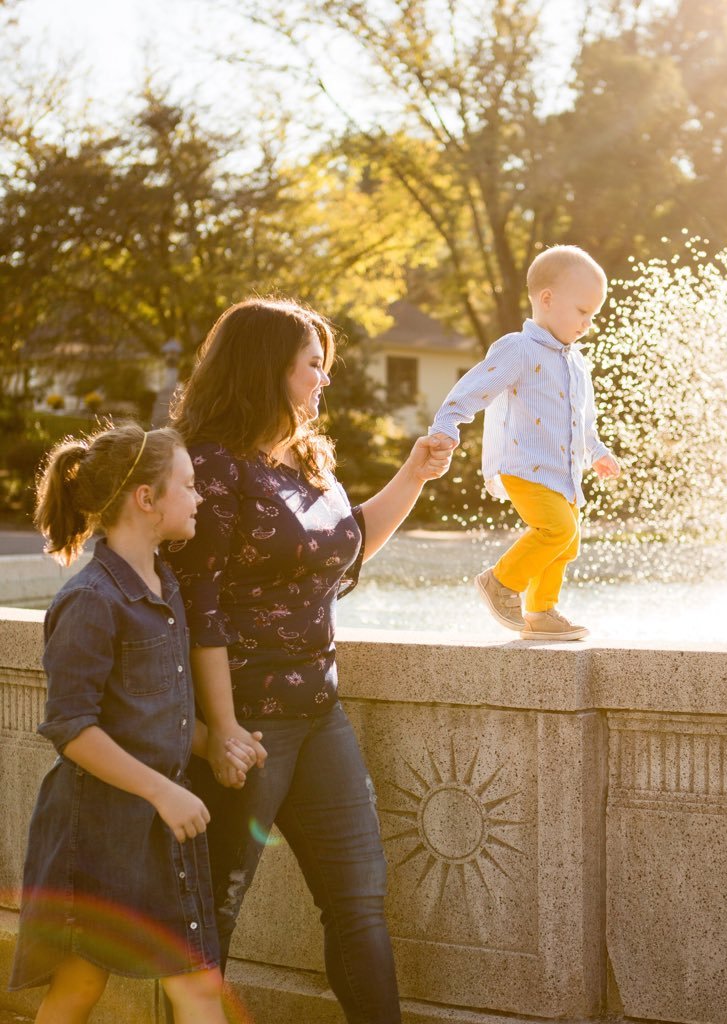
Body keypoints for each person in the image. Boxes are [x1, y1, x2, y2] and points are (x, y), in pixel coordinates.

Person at [164, 297, 453, 1023]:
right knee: (211, 917)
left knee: (358, 902)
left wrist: (414, 475)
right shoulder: (209, 468)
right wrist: (222, 728)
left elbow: (345, 548)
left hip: (320, 714)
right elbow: (196, 603)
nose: (324, 380)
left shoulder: (305, 462)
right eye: (313, 366)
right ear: (269, 371)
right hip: (246, 722)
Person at [9, 423, 255, 1024]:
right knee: (78, 986)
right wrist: (164, 790)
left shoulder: (164, 584)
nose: (200, 498)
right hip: (94, 834)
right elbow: (72, 729)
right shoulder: (91, 601)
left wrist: (216, 743)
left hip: (156, 832)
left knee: (196, 985)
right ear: (146, 499)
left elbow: (150, 712)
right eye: (189, 486)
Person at [428, 244, 621, 641]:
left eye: (593, 315)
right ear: (547, 300)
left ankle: (541, 612)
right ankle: (500, 582)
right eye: (583, 311)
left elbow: (582, 420)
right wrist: (448, 423)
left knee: (567, 542)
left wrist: (597, 452)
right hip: (524, 465)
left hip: (564, 473)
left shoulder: (576, 362)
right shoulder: (519, 348)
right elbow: (476, 387)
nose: (588, 323)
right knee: (556, 530)